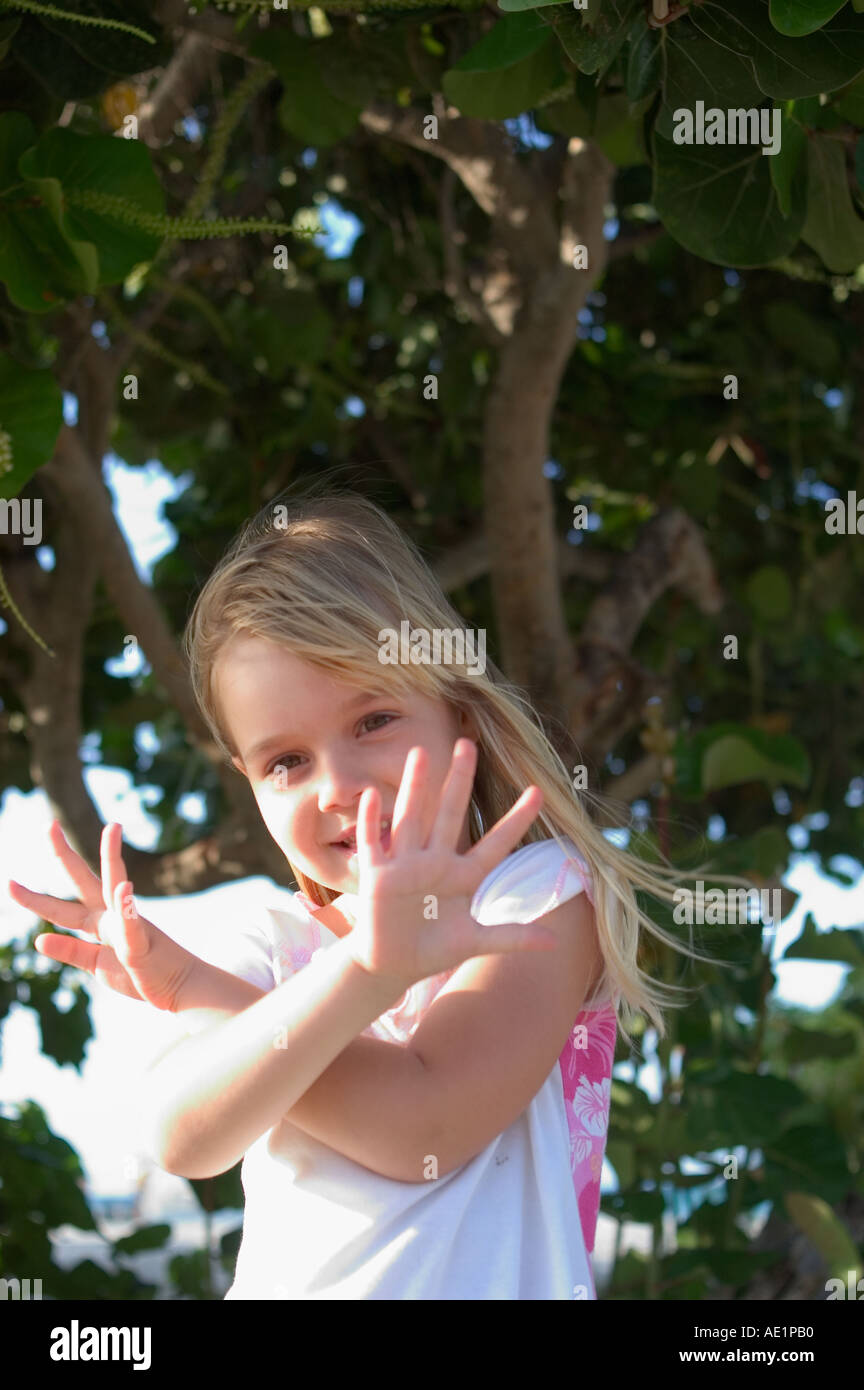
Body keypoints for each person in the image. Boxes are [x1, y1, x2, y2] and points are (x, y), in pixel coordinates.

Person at [10, 485, 735, 1300]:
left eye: (373, 722)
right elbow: (180, 1136)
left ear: (458, 715)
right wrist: (195, 986)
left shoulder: (536, 896)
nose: (339, 785)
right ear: (248, 782)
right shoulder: (271, 939)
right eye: (286, 761)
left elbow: (429, 1121)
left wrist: (345, 978)